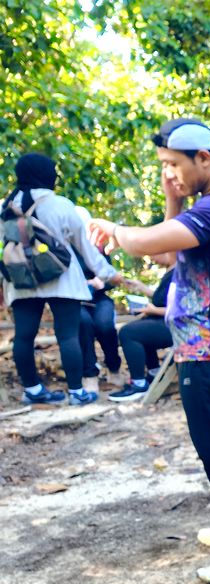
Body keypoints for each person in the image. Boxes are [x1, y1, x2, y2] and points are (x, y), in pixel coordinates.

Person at [88, 118, 210, 584]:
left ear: (204, 159)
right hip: (206, 347)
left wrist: (112, 228)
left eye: (174, 165)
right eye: (163, 166)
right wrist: (173, 192)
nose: (169, 173)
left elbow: (141, 244)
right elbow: (165, 257)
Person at [2, 153, 118, 406]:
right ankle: (76, 392)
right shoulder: (60, 205)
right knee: (68, 336)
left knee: (23, 336)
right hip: (61, 278)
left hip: (21, 280)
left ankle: (32, 390)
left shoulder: (6, 206)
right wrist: (108, 274)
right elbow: (85, 247)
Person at [107, 253, 175, 402]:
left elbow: (180, 309)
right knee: (139, 328)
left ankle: (139, 384)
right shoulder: (171, 270)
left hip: (177, 327)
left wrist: (152, 311)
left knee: (128, 333)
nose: (153, 258)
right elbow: (163, 299)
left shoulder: (182, 272)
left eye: (156, 254)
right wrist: (142, 288)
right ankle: (153, 372)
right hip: (164, 321)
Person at [76, 235, 122, 393]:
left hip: (99, 297)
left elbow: (112, 278)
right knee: (84, 323)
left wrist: (102, 283)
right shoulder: (66, 248)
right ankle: (89, 375)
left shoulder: (99, 249)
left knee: (105, 325)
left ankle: (114, 367)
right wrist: (85, 284)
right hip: (76, 300)